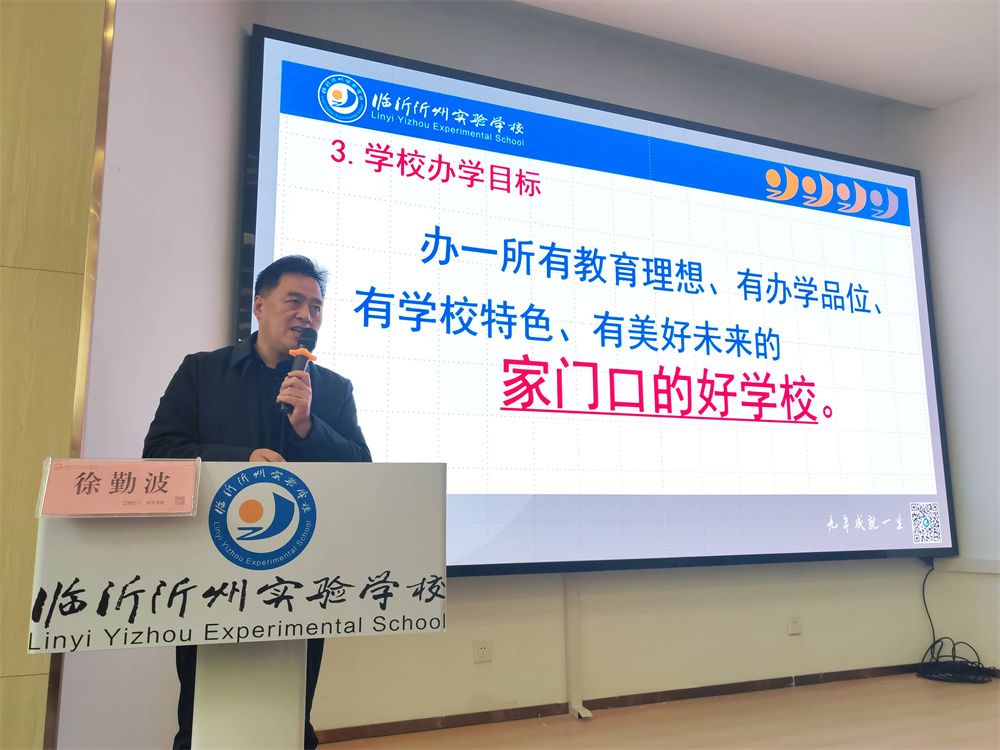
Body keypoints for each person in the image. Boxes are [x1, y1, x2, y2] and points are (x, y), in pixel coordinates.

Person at [143, 255, 371, 749]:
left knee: (288, 718)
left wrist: (309, 426)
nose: (306, 315)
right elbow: (160, 452)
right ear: (259, 305)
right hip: (212, 570)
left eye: (316, 307)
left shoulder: (332, 390)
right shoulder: (202, 372)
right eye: (294, 301)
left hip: (301, 574)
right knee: (205, 718)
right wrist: (241, 460)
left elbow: (361, 471)